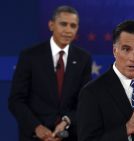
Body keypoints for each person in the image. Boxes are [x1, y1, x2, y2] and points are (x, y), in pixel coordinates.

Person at [8, 5, 92, 141]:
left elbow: (85, 102)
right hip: (35, 136)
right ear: (51, 25)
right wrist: (37, 127)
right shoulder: (30, 56)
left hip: (69, 135)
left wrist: (67, 121)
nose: (68, 30)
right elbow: (16, 100)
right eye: (63, 24)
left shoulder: (83, 58)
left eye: (73, 26)